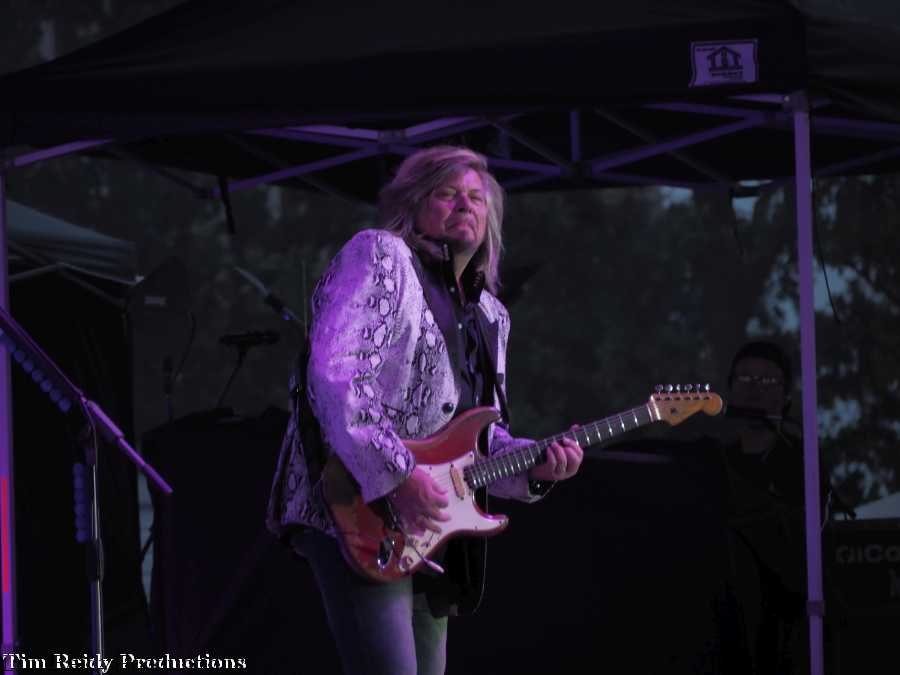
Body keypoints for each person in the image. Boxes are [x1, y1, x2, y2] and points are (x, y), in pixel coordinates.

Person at [266, 145, 584, 675]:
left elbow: (482, 439)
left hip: (431, 530)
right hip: (354, 504)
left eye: (477, 198)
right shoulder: (381, 255)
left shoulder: (489, 314)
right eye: (447, 194)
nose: (466, 205)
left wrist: (535, 465)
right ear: (411, 205)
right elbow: (337, 377)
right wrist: (398, 475)